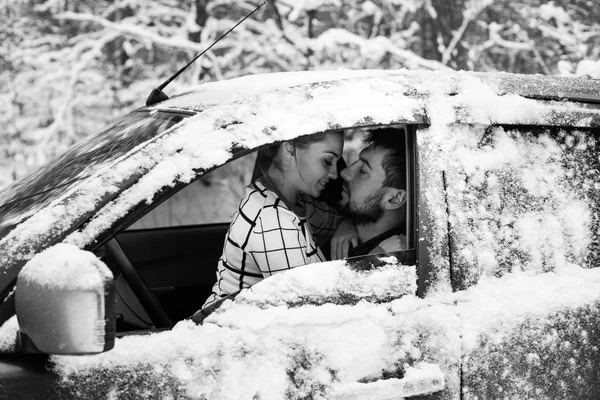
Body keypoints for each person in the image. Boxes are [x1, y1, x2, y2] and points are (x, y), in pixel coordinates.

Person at [201, 131, 345, 310]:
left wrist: (346, 227)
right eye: (327, 161)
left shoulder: (286, 199)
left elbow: (335, 220)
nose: (335, 174)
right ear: (290, 150)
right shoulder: (274, 222)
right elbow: (310, 314)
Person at [331, 127, 407, 259]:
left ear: (394, 199)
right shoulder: (335, 224)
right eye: (356, 161)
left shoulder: (397, 263)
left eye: (363, 171)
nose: (344, 173)